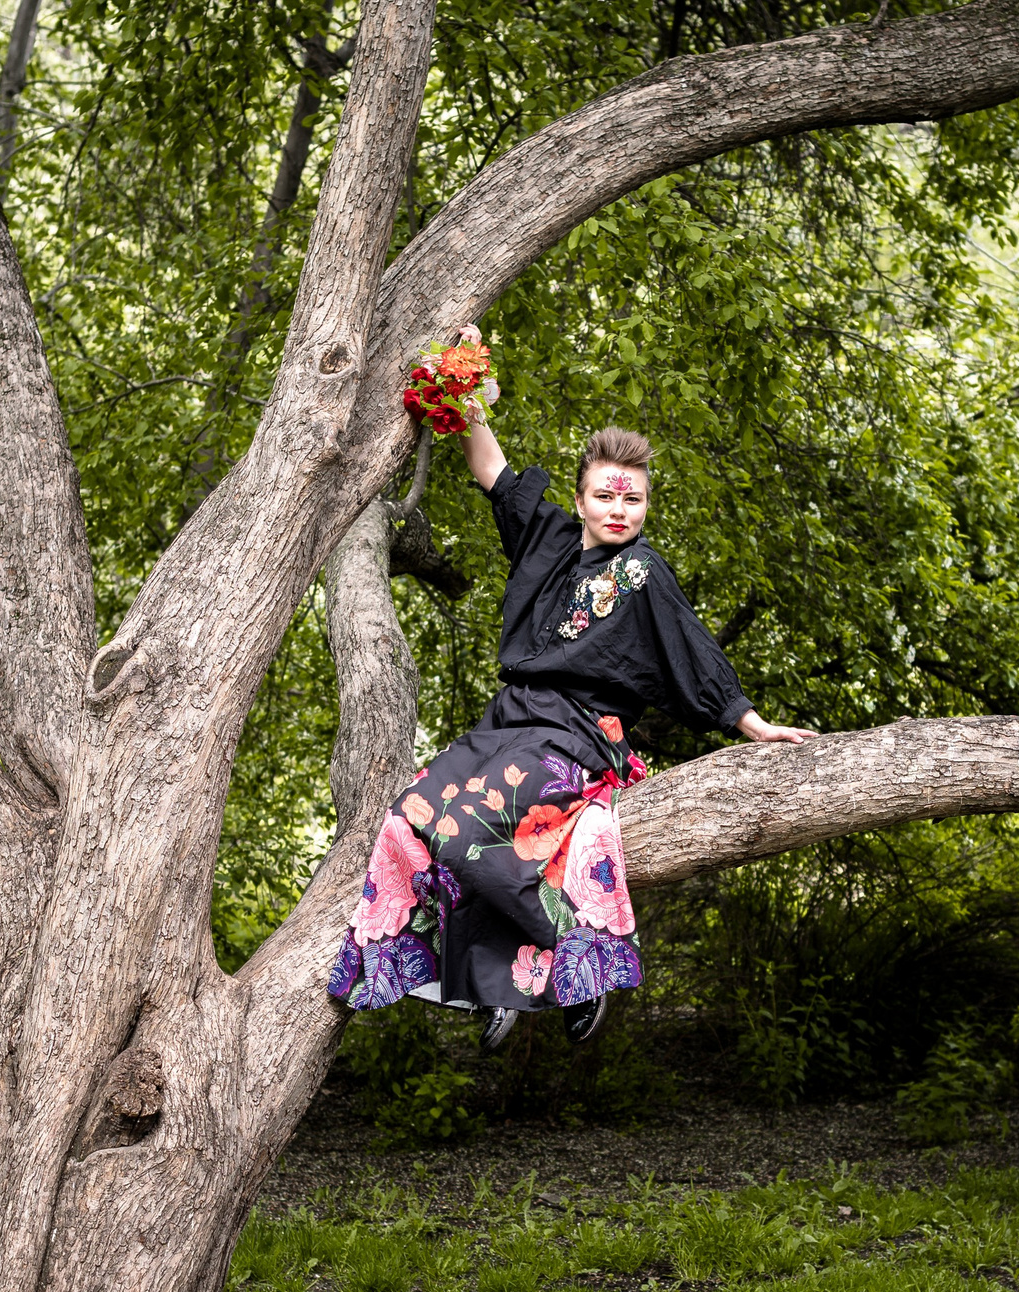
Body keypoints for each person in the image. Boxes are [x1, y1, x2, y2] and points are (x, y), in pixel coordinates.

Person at [329, 325, 816, 1049]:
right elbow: (490, 466)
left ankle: (576, 964)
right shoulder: (547, 538)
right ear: (582, 499)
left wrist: (752, 723)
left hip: (577, 732)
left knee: (473, 829)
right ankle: (485, 986)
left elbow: (692, 649)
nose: (620, 509)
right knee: (409, 818)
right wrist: (465, 381)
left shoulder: (643, 573)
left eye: (634, 499)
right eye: (606, 495)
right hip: (506, 724)